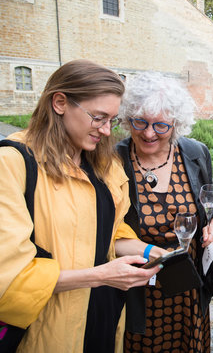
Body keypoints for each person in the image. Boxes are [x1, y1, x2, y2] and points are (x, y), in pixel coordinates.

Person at [0, 59, 166, 353]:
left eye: (111, 121)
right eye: (98, 117)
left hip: (104, 313)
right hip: (51, 326)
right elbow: (10, 275)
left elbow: (111, 230)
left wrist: (151, 252)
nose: (105, 131)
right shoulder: (12, 164)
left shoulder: (105, 163)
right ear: (60, 102)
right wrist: (101, 275)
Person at [116, 72, 213, 353]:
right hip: (140, 290)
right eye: (139, 121)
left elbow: (210, 201)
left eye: (161, 125)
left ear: (176, 124)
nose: (149, 133)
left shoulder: (195, 153)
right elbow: (106, 230)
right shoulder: (114, 158)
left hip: (189, 286)